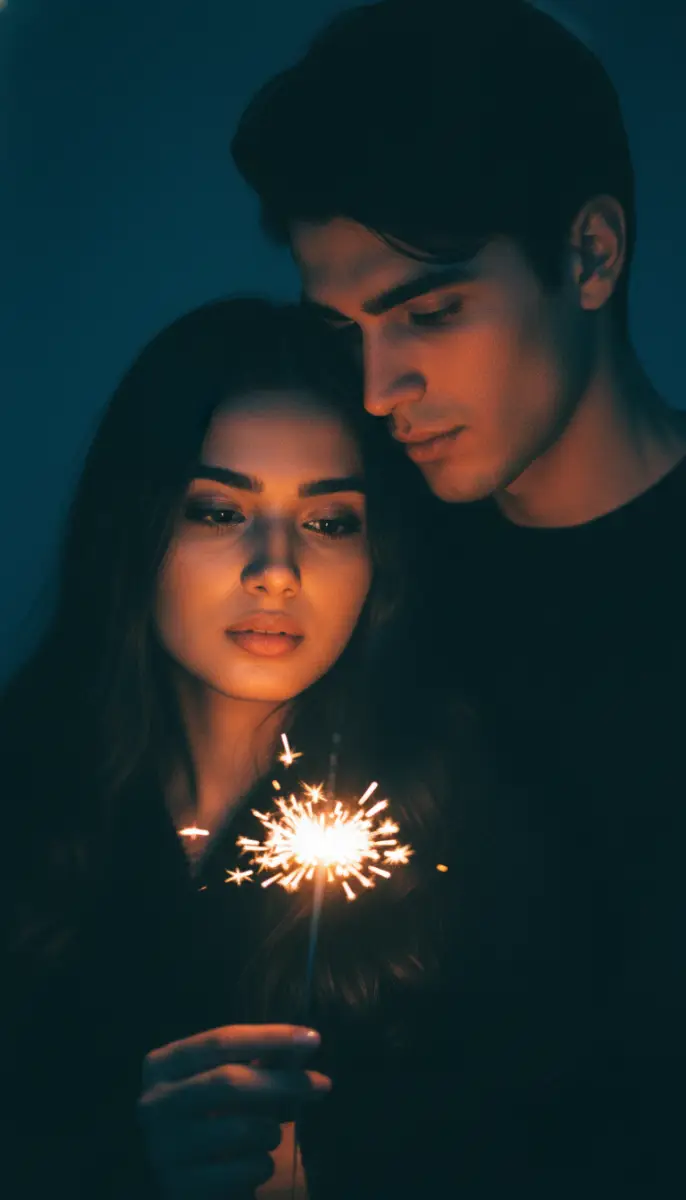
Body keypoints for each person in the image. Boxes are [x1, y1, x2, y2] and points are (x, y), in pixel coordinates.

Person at [231, 0, 686, 1194]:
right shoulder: (359, 571)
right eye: (346, 335)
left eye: (429, 311)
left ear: (588, 254)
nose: (380, 389)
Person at [2, 297, 475, 1199]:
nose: (275, 568)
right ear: (135, 528)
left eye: (330, 521)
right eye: (219, 512)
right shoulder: (22, 799)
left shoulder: (456, 833)